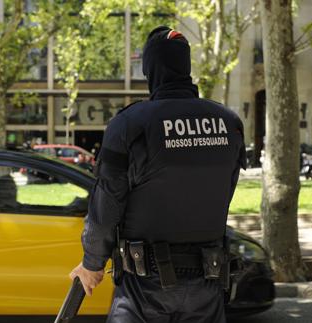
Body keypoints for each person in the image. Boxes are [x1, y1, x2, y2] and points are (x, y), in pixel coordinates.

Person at [69, 26, 246, 323]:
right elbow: (225, 193)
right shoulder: (229, 124)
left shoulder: (130, 125)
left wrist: (92, 263)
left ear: (151, 70)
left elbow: (107, 205)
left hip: (143, 289)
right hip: (208, 282)